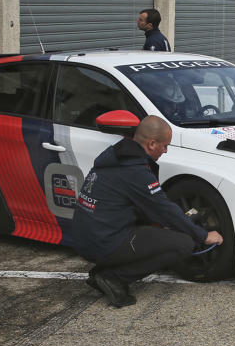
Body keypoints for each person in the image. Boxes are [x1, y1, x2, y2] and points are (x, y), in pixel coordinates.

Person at [72, 116, 222, 307]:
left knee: (155, 230)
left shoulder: (118, 156)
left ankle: (101, 272)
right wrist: (202, 235)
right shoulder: (135, 171)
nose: (165, 151)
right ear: (151, 144)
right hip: (102, 241)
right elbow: (164, 209)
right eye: (165, 146)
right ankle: (113, 277)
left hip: (85, 237)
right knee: (183, 243)